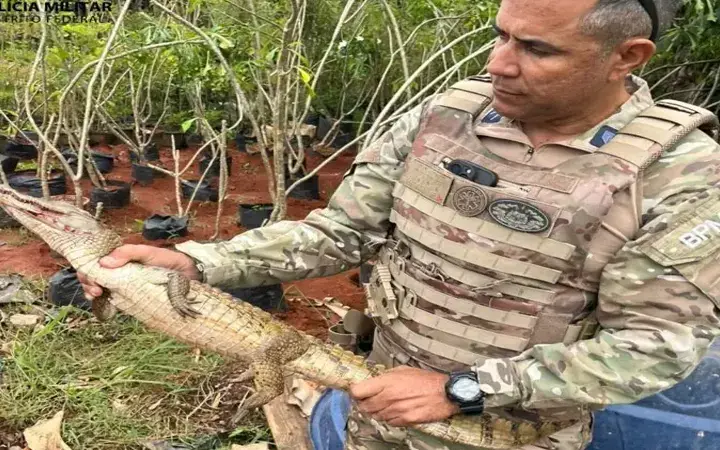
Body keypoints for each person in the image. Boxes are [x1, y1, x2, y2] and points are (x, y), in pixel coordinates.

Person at [80, 0, 720, 448]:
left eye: (536, 49)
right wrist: (200, 262)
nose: (499, 62)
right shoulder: (445, 120)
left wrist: (463, 389)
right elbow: (338, 234)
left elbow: (654, 348)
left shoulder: (679, 174)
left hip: (509, 433)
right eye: (500, 35)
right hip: (379, 403)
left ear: (625, 56)